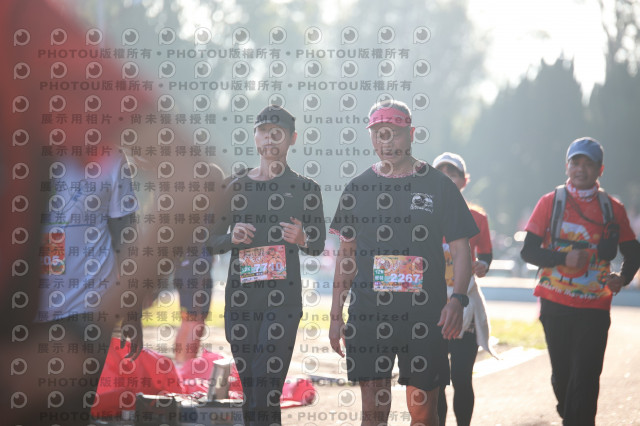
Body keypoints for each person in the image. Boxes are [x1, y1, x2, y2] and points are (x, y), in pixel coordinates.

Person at [329, 100, 478, 426]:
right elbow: (346, 256)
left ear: (410, 134)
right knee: (373, 414)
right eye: (379, 134)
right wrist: (335, 314)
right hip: (369, 313)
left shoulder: (438, 185)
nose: (386, 142)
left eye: (394, 134)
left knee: (423, 413)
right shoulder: (358, 188)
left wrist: (457, 299)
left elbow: (461, 248)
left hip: (424, 315)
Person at [209, 104, 326, 425]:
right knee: (253, 390)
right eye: (263, 131)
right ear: (255, 137)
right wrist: (231, 237)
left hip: (283, 303)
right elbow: (208, 240)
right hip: (241, 302)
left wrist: (302, 237)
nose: (270, 138)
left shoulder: (306, 188)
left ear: (292, 139)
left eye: (278, 133)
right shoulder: (234, 186)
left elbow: (317, 244)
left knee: (266, 383)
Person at [520, 137, 640, 425]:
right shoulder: (550, 202)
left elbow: (633, 251)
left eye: (588, 164)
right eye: (576, 163)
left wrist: (623, 277)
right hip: (555, 303)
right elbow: (528, 251)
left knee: (586, 377)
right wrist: (563, 258)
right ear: (567, 166)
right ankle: (571, 412)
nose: (581, 169)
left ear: (600, 170)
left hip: (595, 306)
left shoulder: (613, 208)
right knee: (563, 378)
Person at [432, 152, 497, 426]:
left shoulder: (477, 217)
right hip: (432, 307)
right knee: (435, 379)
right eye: (441, 173)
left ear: (464, 181)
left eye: (453, 173)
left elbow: (487, 254)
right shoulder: (423, 215)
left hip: (464, 305)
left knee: (461, 376)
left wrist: (483, 264)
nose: (447, 178)